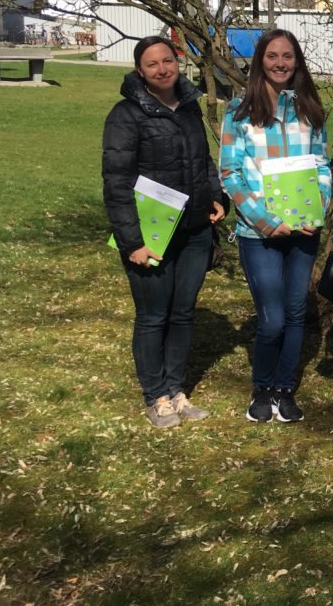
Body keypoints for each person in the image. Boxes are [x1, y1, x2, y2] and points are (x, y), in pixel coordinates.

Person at [103, 36, 227, 428]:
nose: (162, 69)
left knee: (183, 312)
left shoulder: (189, 107)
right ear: (141, 71)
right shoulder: (126, 115)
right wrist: (132, 242)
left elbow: (203, 160)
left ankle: (176, 390)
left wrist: (217, 196)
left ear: (177, 62)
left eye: (167, 60)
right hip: (151, 233)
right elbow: (116, 182)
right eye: (152, 64)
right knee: (154, 316)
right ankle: (155, 396)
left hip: (193, 231)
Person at [220, 29, 331, 424]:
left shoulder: (309, 110)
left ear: (297, 61)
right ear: (260, 62)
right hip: (259, 234)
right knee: (272, 319)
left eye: (288, 56)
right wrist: (267, 222)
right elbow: (230, 175)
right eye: (272, 56)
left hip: (304, 230)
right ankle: (261, 388)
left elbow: (321, 165)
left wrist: (315, 209)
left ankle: (284, 390)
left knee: (297, 312)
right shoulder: (238, 113)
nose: (280, 63)